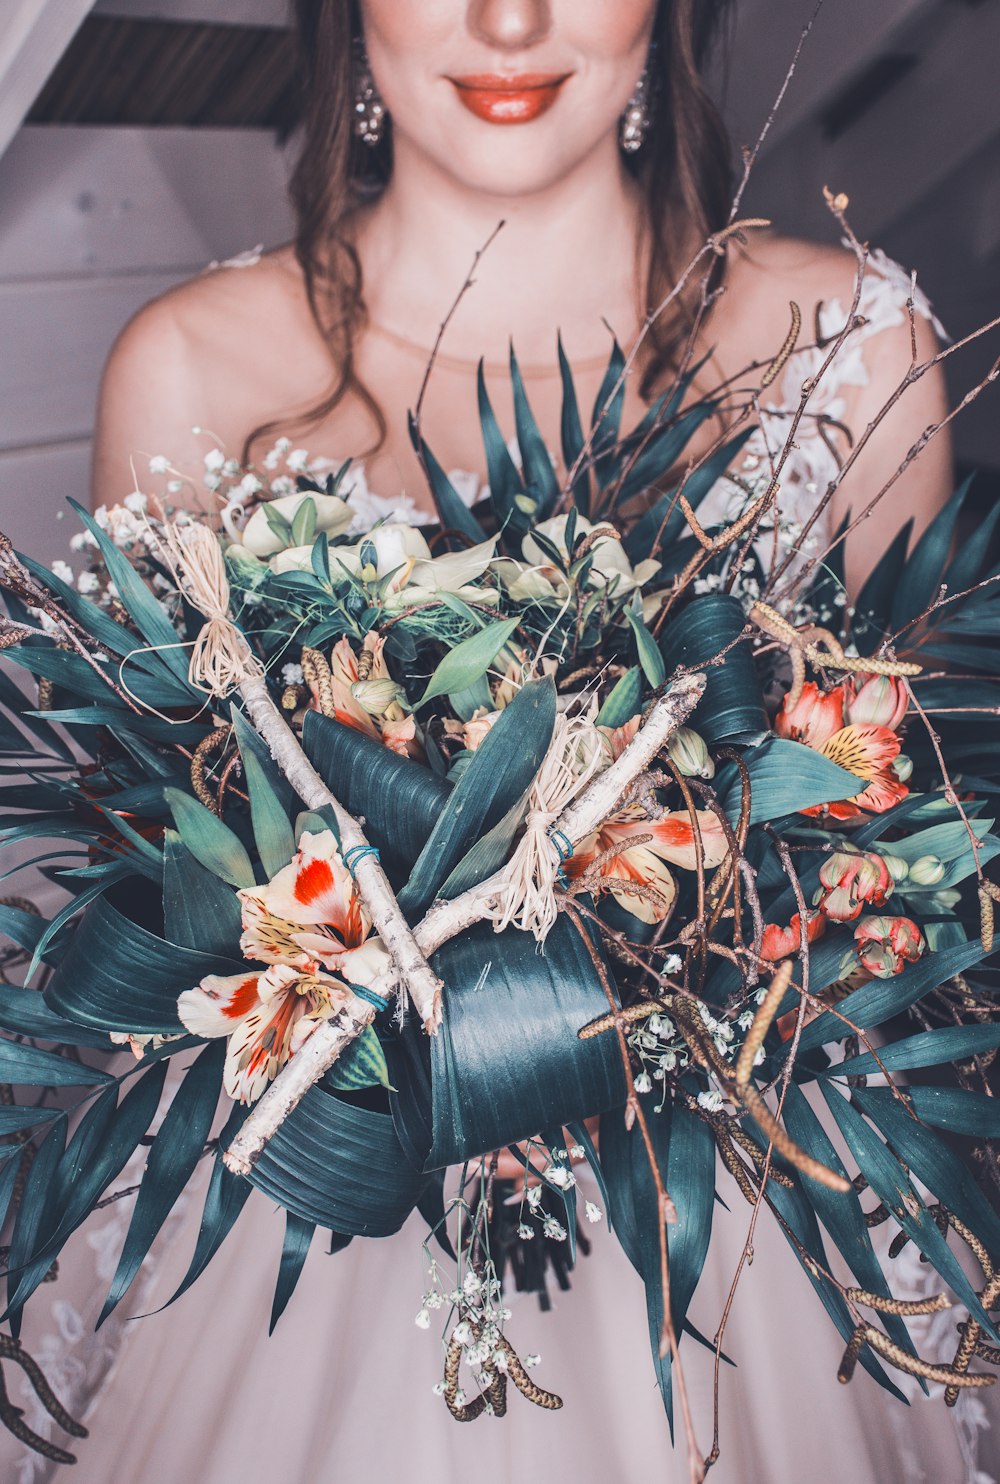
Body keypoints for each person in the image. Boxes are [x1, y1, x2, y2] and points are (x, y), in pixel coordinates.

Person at [6, 3, 991, 1481]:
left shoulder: (850, 348)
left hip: (744, 1268)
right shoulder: (193, 373)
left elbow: (893, 906)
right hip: (315, 1242)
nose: (510, 17)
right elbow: (170, 922)